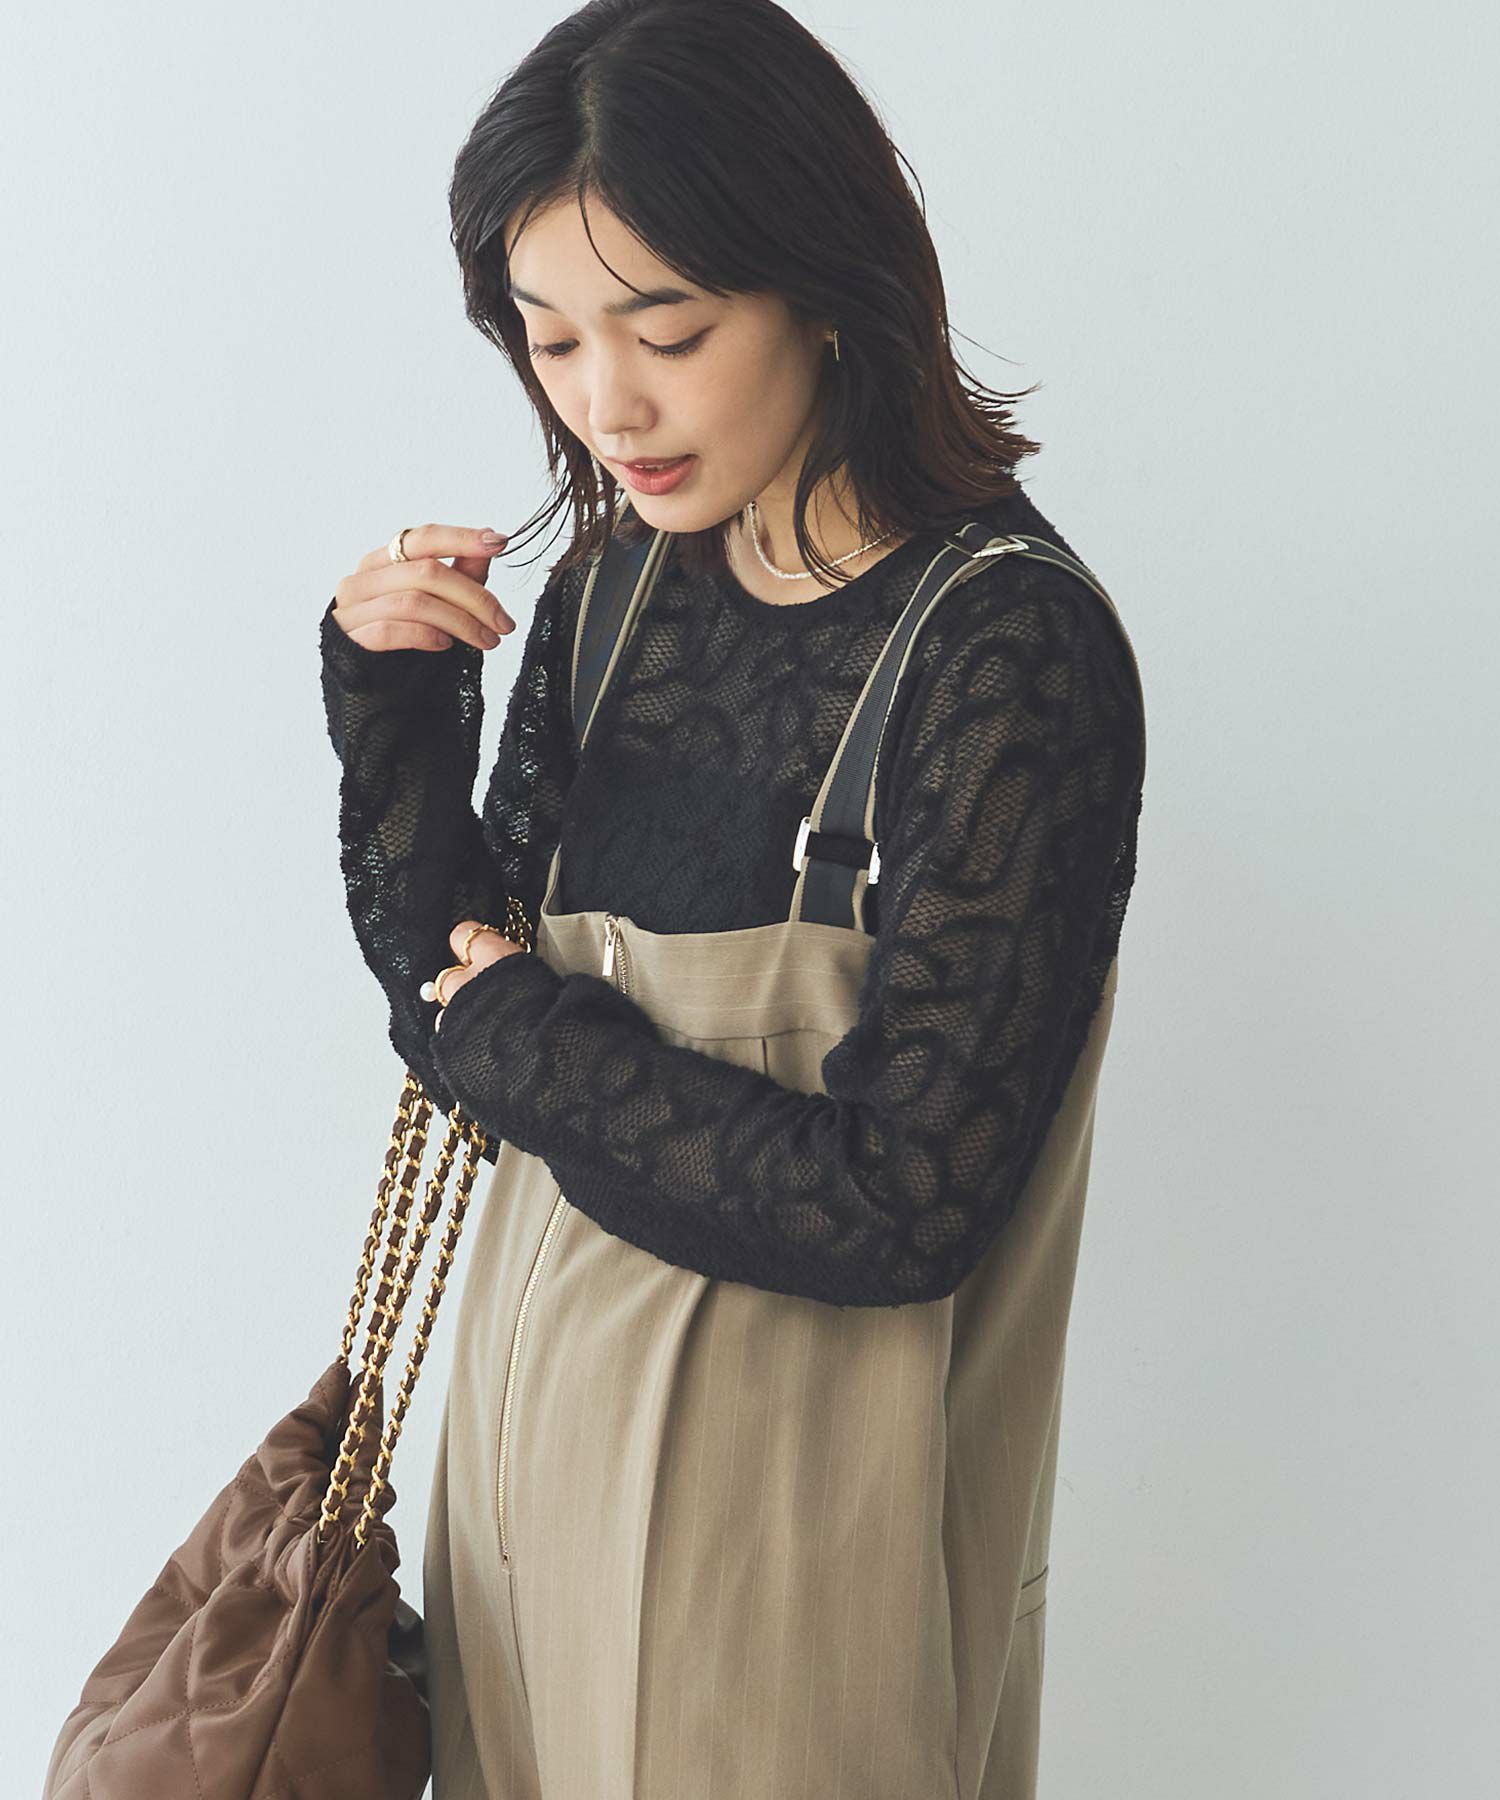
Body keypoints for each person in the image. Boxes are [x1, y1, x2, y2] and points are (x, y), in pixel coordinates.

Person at [319, 2, 1146, 1794]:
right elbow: (452, 1012)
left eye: (669, 330)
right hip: (514, 1488)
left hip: (782, 1552)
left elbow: (902, 1203)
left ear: (825, 287)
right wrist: (392, 707)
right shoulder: (620, 595)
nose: (606, 403)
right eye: (551, 339)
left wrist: (522, 1039)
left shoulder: (1006, 647)